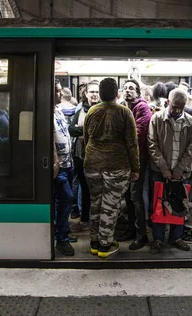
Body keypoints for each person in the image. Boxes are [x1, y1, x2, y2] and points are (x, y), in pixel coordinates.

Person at [84, 78, 139, 258]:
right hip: (117, 166)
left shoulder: (91, 111)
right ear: (117, 94)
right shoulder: (124, 112)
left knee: (95, 202)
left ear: (99, 94)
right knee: (110, 205)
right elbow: (132, 143)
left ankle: (94, 242)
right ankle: (104, 246)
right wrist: (136, 167)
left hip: (92, 164)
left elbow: (86, 139)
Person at [148, 88, 192, 253]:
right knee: (159, 205)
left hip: (182, 173)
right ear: (168, 102)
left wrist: (179, 169)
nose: (177, 110)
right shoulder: (157, 119)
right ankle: (158, 239)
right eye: (175, 106)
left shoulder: (190, 121)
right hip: (160, 171)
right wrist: (164, 168)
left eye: (181, 106)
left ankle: (176, 237)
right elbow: (152, 145)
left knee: (180, 206)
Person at [120, 79, 153, 250]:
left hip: (139, 158)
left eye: (131, 88)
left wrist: (119, 138)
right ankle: (131, 230)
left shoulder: (142, 107)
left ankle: (142, 235)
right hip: (125, 158)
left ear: (138, 92)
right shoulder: (122, 107)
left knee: (136, 197)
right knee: (128, 196)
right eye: (125, 88)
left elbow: (139, 134)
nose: (127, 91)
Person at [68, 80, 100, 232]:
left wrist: (81, 129)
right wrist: (87, 130)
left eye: (96, 91)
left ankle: (99, 220)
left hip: (100, 157)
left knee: (99, 190)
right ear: (86, 94)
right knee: (85, 188)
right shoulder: (80, 110)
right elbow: (71, 130)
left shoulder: (103, 110)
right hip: (80, 155)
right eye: (91, 91)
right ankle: (86, 219)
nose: (94, 94)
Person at [54, 80, 75, 257]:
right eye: (58, 91)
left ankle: (64, 231)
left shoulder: (58, 110)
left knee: (64, 201)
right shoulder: (46, 112)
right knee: (66, 198)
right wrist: (54, 159)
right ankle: (61, 239)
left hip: (68, 163)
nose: (61, 94)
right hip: (58, 165)